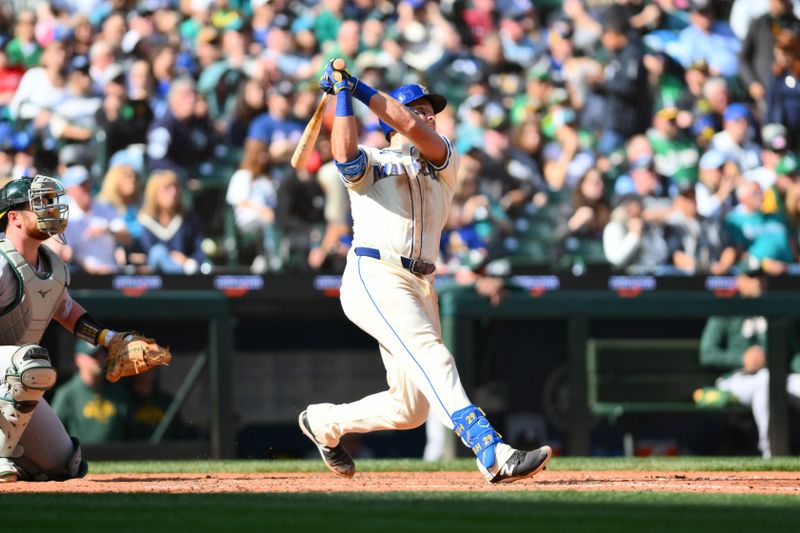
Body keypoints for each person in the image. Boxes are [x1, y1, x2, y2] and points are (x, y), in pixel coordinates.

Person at [298, 60, 552, 484]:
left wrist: (355, 86)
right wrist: (343, 95)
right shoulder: (375, 159)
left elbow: (415, 131)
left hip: (421, 282)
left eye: (430, 108)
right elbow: (344, 154)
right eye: (416, 107)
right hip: (375, 273)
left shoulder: (442, 156)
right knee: (435, 356)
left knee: (409, 410)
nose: (426, 114)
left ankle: (324, 423)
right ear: (390, 120)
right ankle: (491, 451)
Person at [0, 175, 164, 482]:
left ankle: (15, 459)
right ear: (14, 218)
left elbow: (68, 313)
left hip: (8, 378)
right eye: (40, 203)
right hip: (10, 370)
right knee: (31, 363)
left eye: (50, 201)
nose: (50, 209)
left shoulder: (53, 266)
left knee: (64, 465)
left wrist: (110, 339)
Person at [699, 316, 800, 458]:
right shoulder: (724, 313)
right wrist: (741, 358)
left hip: (778, 377)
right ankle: (772, 453)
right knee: (766, 382)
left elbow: (795, 355)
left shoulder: (775, 309)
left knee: (777, 381)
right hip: (738, 379)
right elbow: (707, 354)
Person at [50, 341, 132, 444]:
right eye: (93, 356)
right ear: (78, 360)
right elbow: (52, 434)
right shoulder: (67, 393)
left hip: (117, 458)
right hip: (81, 458)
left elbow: (130, 432)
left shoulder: (118, 391)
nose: (98, 360)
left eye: (101, 354)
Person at [137, 170, 208, 275]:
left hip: (186, 272)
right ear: (154, 193)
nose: (173, 192)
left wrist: (188, 261)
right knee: (158, 252)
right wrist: (171, 257)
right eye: (167, 188)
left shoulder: (189, 219)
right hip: (153, 279)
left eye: (176, 187)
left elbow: (199, 250)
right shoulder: (145, 221)